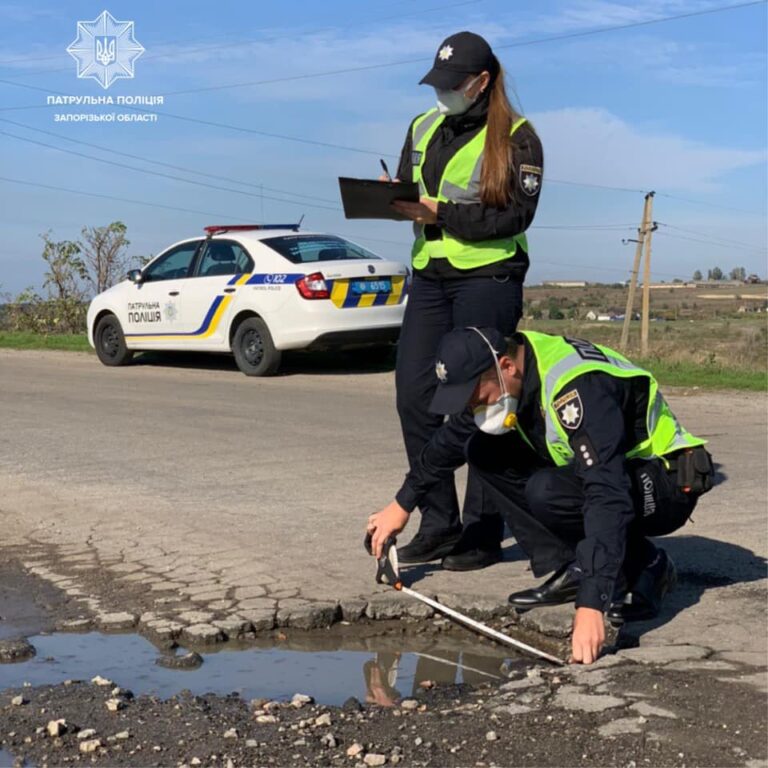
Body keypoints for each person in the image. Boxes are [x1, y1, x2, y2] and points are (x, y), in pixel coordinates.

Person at [367, 327, 714, 663]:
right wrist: (401, 504)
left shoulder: (576, 389)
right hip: (615, 475)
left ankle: (646, 564)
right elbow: (448, 443)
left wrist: (592, 604)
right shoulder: (516, 367)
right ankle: (574, 562)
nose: (476, 408)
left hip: (664, 483)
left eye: (478, 397)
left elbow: (607, 494)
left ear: (506, 367)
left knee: (547, 490)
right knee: (483, 450)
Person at [386, 30, 544, 572]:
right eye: (439, 82)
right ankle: (438, 521)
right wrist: (391, 199)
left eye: (454, 84)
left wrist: (441, 214)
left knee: (485, 400)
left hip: (489, 276)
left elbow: (514, 216)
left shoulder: (519, 138)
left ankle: (480, 531)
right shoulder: (422, 125)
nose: (444, 92)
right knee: (414, 393)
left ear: (482, 82)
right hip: (431, 275)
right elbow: (415, 193)